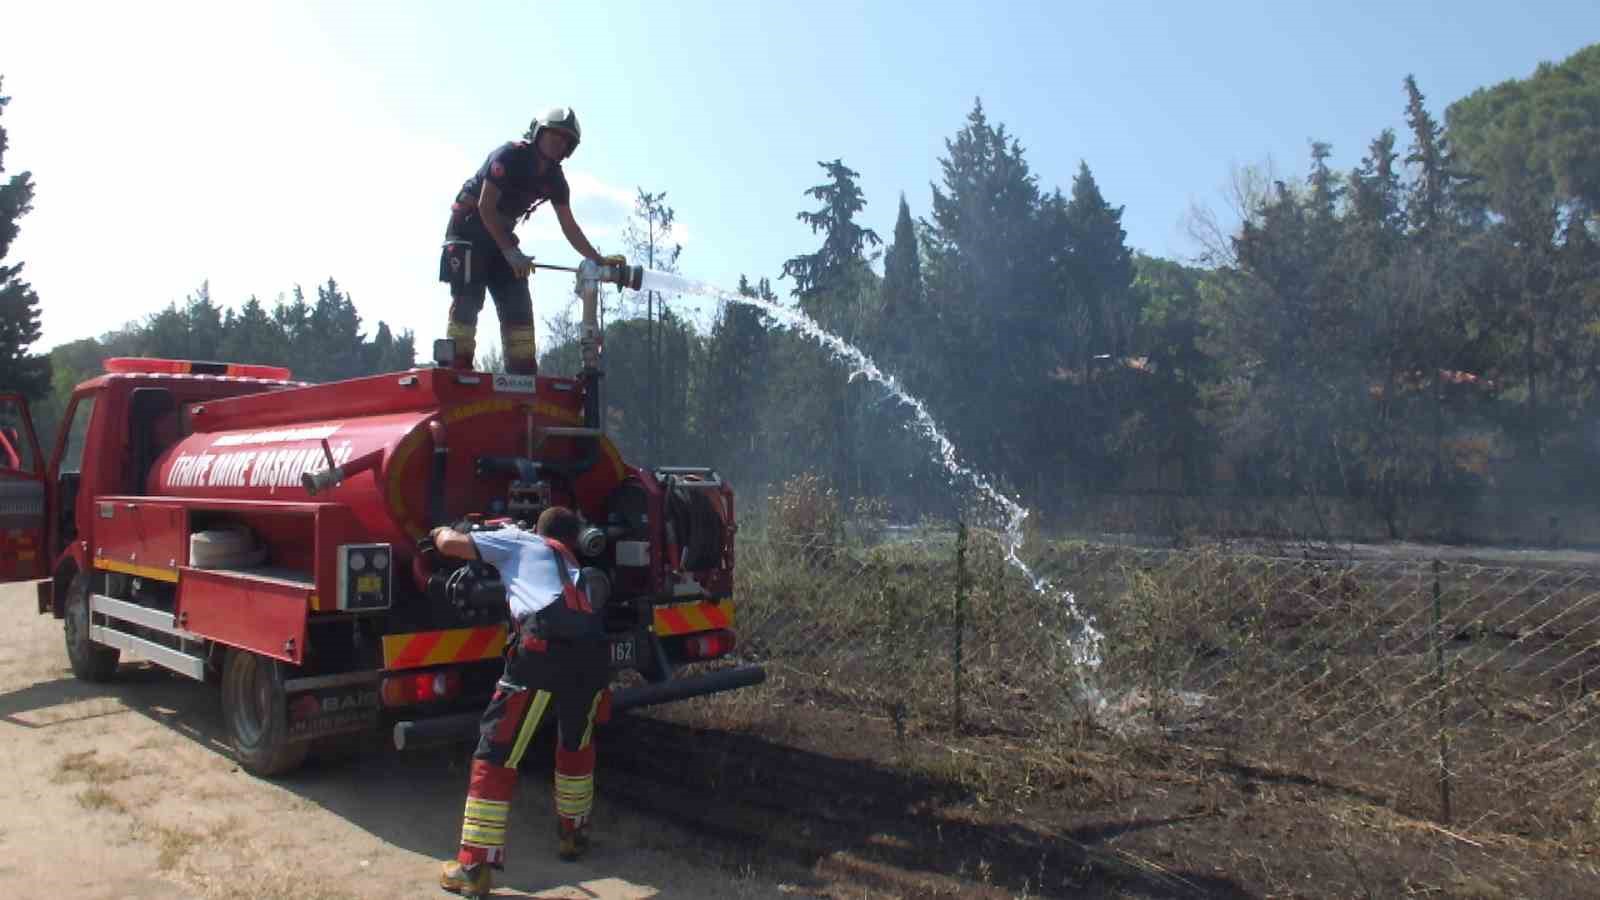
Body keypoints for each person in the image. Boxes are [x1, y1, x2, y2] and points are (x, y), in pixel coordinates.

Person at [432, 506, 611, 897]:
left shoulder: (518, 540)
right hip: (593, 655)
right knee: (575, 744)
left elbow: (450, 545)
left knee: (496, 749)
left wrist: (440, 530)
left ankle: (474, 867)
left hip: (541, 653)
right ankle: (574, 835)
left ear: (538, 530)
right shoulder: (569, 560)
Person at [439, 107, 627, 374]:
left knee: (518, 301)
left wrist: (598, 259)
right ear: (538, 132)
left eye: (565, 140)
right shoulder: (509, 156)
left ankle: (522, 375)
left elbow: (569, 227)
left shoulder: (556, 181)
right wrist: (510, 252)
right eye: (555, 134)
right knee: (468, 300)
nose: (558, 142)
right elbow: (486, 207)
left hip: (500, 237)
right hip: (469, 232)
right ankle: (457, 370)